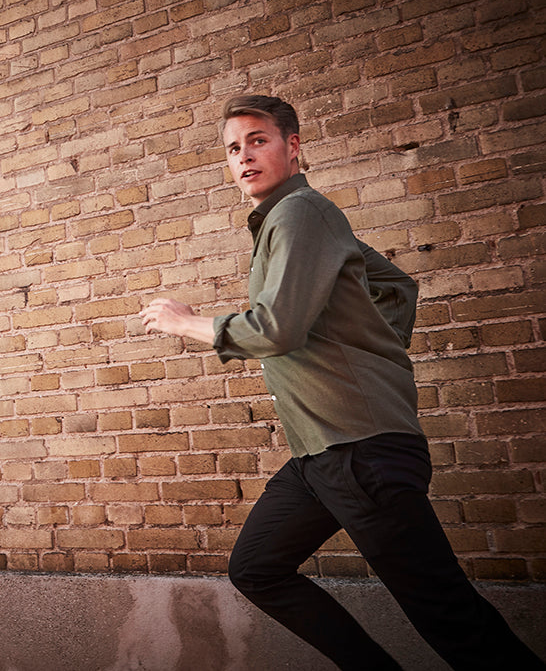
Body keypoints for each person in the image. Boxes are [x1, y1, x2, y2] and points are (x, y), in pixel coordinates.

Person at [139, 95, 544, 670]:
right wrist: (363, 348)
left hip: (361, 449)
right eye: (234, 148)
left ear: (293, 146)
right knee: (256, 567)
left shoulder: (301, 212)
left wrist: (188, 324)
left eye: (258, 140)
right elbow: (397, 287)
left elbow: (276, 327)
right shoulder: (292, 221)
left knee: (450, 618)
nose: (245, 156)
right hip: (320, 451)